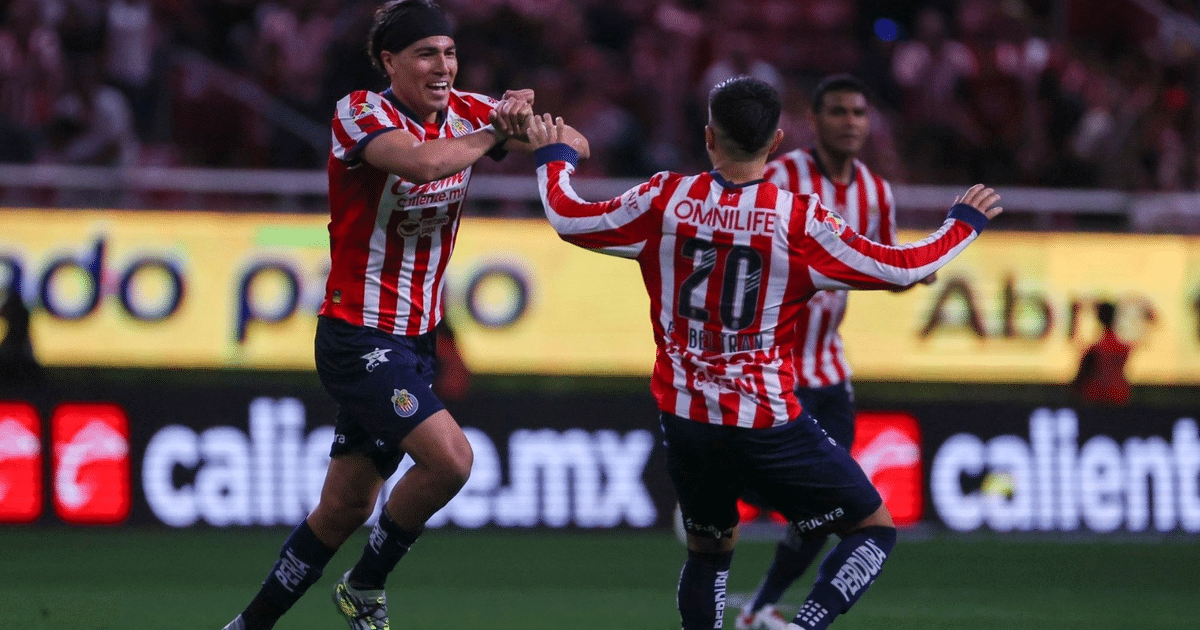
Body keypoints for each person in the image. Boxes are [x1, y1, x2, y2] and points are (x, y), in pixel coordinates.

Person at [527, 76, 1001, 630]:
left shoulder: (665, 198)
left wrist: (554, 156)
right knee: (872, 529)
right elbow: (902, 268)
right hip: (766, 420)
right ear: (776, 142)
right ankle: (804, 624)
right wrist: (964, 224)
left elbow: (567, 215)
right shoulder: (797, 219)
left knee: (709, 552)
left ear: (709, 137)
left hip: (686, 418)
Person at [219, 2, 588, 630]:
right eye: (425, 54)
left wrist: (539, 136)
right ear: (390, 62)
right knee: (453, 460)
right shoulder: (360, 113)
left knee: (343, 509)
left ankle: (248, 625)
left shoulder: (471, 111)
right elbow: (422, 162)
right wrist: (497, 132)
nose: (442, 66)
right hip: (357, 333)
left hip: (416, 340)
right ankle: (365, 584)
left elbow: (574, 142)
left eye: (449, 52)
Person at [735, 73, 934, 630]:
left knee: (828, 508)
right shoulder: (780, 177)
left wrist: (914, 274)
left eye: (859, 113)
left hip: (828, 370)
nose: (851, 122)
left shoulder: (876, 192)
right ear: (815, 120)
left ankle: (758, 608)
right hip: (774, 368)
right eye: (839, 112)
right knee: (805, 497)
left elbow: (882, 267)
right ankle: (723, 492)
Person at [1070, 301, 1132, 405]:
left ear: (1099, 318)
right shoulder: (1123, 347)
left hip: (1097, 397)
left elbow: (1082, 377)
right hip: (1119, 395)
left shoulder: (1097, 348)